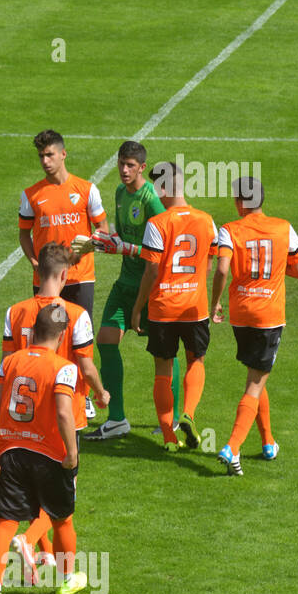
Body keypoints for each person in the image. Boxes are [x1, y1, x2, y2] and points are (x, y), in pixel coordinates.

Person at [2, 243, 109, 574]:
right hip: (65, 414)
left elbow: (6, 364)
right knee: (62, 494)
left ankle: (46, 555)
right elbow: (86, 366)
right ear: (65, 274)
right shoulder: (76, 315)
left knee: (34, 488)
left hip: (23, 415)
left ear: (38, 271)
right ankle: (31, 541)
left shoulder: (14, 311)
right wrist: (101, 393)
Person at [0, 305, 88, 594]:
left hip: (10, 451)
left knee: (4, 522)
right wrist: (71, 452)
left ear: (33, 330)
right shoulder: (64, 367)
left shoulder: (10, 361)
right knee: (62, 518)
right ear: (62, 334)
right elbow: (63, 413)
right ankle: (68, 579)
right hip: (48, 456)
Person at [210, 176, 298, 476]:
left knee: (255, 374)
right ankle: (232, 447)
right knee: (255, 383)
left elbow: (222, 267)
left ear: (240, 202)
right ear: (261, 200)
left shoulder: (228, 230)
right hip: (269, 316)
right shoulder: (283, 227)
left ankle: (268, 442)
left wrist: (215, 302)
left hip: (241, 316)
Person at [83, 142, 177, 440]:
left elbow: (163, 249)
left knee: (164, 355)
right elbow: (121, 235)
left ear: (141, 167)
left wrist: (125, 247)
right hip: (125, 283)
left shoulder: (152, 199)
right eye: (121, 163)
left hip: (151, 286)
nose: (124, 170)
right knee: (106, 340)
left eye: (130, 165)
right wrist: (104, 239)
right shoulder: (121, 193)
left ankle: (172, 420)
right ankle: (117, 419)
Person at [18, 129, 108, 416]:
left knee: (79, 338)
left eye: (49, 155)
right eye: (41, 156)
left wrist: (79, 254)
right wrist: (35, 262)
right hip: (45, 281)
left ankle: (83, 395)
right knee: (47, 336)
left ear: (63, 154)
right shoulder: (31, 195)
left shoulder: (86, 189)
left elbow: (103, 231)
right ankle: (47, 389)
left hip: (80, 277)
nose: (45, 161)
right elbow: (24, 234)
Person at [131, 165, 217, 452]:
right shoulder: (206, 220)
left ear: (165, 188)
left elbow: (151, 271)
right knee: (196, 360)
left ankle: (169, 436)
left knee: (162, 370)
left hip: (163, 309)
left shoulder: (157, 223)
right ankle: (189, 414)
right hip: (195, 308)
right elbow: (210, 262)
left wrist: (137, 307)